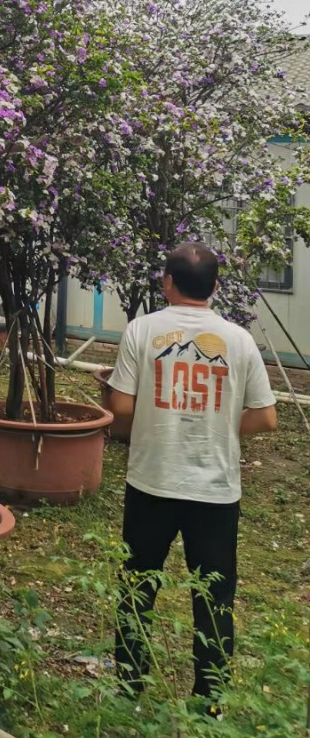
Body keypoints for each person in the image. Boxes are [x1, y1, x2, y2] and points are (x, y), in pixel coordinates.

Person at [106, 241, 277, 703]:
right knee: (215, 598)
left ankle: (129, 687)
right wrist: (218, 424)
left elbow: (120, 405)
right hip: (216, 492)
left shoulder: (142, 330)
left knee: (137, 587)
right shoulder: (239, 340)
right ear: (216, 288)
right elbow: (265, 417)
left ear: (167, 283)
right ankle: (209, 699)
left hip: (151, 482)